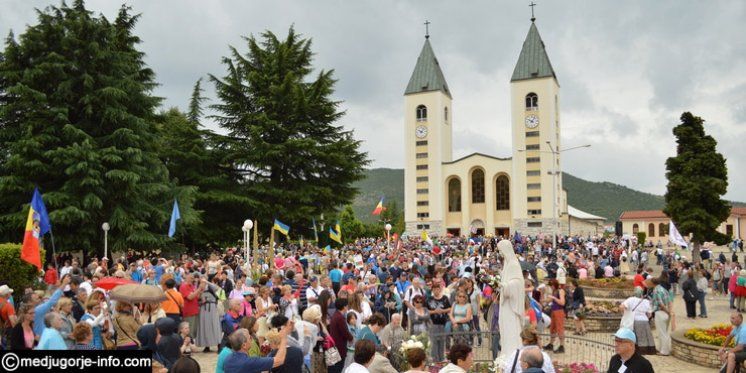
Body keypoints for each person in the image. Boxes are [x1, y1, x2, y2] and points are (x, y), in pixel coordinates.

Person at [222, 325, 292, 372]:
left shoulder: (227, 359)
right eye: (250, 338)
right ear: (244, 345)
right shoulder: (249, 362)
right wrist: (283, 338)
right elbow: (279, 360)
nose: (252, 339)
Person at [427, 281, 451, 362]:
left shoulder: (445, 298)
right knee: (434, 341)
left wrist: (442, 310)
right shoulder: (429, 299)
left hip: (443, 323)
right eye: (434, 289)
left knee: (442, 340)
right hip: (433, 323)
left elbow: (449, 308)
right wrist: (435, 312)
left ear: (440, 289)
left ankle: (442, 358)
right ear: (432, 290)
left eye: (437, 289)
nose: (436, 291)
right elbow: (426, 311)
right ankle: (435, 359)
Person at [647, 277, 672, 356]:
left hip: (661, 312)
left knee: (662, 333)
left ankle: (664, 351)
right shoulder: (663, 289)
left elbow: (661, 304)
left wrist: (667, 312)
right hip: (666, 313)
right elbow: (669, 300)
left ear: (653, 283)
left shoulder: (656, 291)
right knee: (664, 332)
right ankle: (662, 348)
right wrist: (670, 311)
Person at [329, 298, 354, 373]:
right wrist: (351, 338)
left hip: (333, 346)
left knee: (333, 368)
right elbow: (345, 332)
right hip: (339, 347)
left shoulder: (336, 314)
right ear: (344, 306)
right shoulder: (340, 318)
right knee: (338, 368)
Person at [196, 276, 221, 352]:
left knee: (215, 325)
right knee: (205, 326)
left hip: (212, 308)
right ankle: (207, 345)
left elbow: (217, 288)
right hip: (203, 308)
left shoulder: (210, 287)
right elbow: (197, 299)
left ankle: (218, 344)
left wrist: (207, 282)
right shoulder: (199, 289)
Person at [544, 279, 565, 353]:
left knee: (560, 329)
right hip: (553, 311)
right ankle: (551, 344)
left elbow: (562, 303)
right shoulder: (554, 291)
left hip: (559, 311)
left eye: (551, 285)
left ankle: (562, 346)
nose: (551, 287)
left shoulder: (560, 291)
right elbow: (548, 300)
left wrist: (554, 298)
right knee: (552, 328)